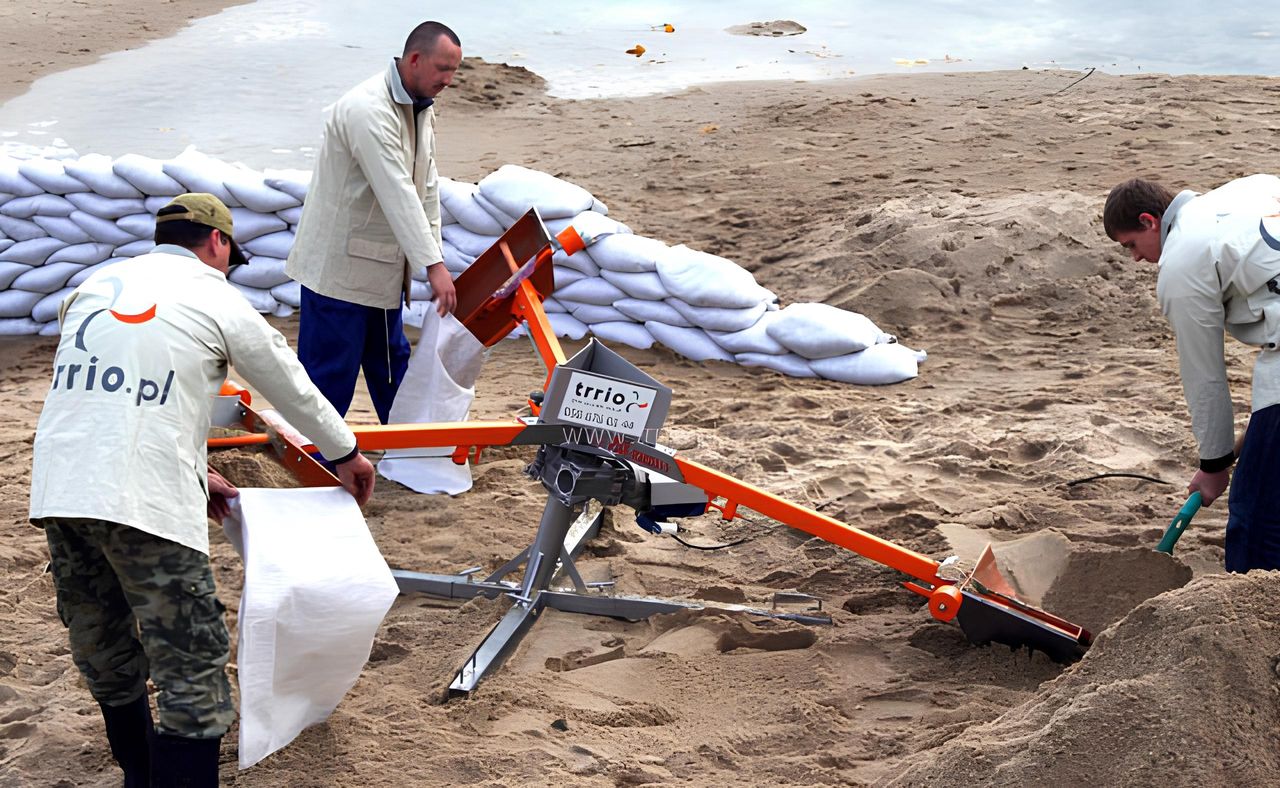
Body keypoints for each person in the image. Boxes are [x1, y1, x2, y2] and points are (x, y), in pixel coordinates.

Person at [29, 193, 377, 787]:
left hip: (62, 491)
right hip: (143, 506)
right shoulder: (214, 294)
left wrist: (192, 468)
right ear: (217, 242)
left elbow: (133, 392)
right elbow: (283, 378)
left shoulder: (91, 288)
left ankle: (139, 775)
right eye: (228, 253)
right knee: (190, 665)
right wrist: (344, 451)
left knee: (105, 645)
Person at [287, 20, 463, 424]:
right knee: (330, 375)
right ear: (415, 59)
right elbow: (397, 191)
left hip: (382, 271)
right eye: (443, 69)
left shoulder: (420, 109)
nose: (449, 80)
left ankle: (407, 452)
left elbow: (427, 188)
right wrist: (432, 267)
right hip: (339, 276)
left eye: (454, 71)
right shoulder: (368, 109)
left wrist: (435, 256)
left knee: (391, 367)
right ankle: (316, 465)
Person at [1104, 174, 1280, 572]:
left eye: (1131, 244)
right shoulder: (1251, 188)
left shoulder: (1182, 258)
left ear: (1150, 221)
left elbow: (1205, 375)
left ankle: (1252, 617)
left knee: (1257, 512)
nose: (1135, 258)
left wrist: (1215, 465)